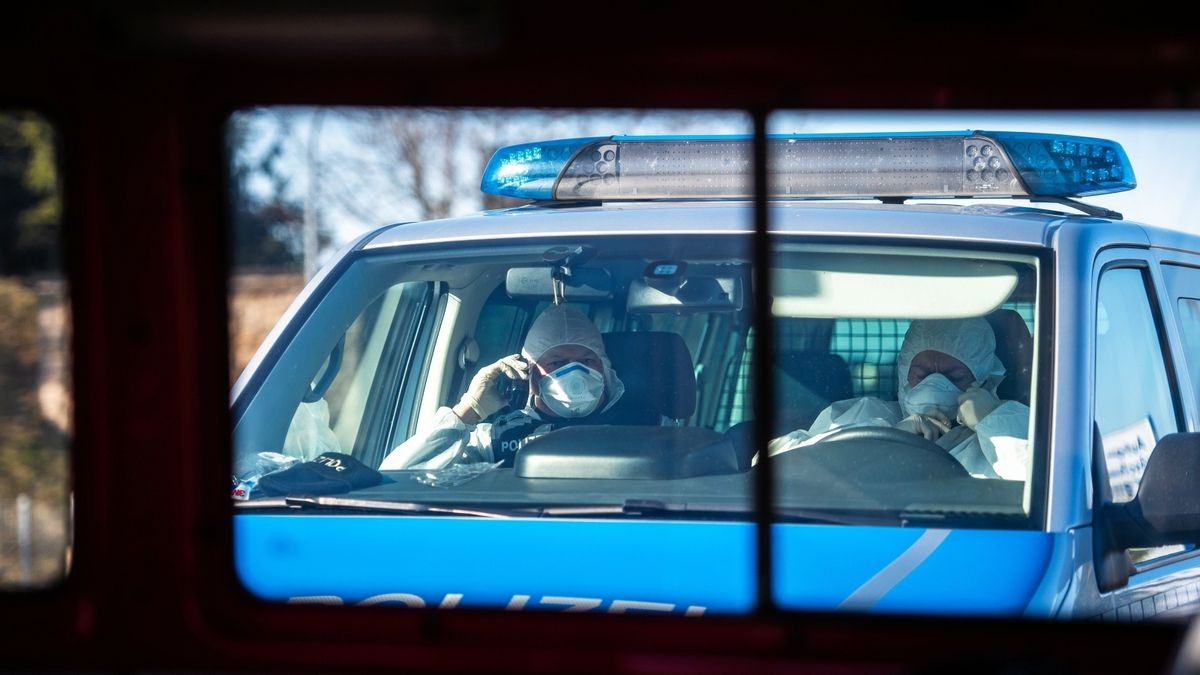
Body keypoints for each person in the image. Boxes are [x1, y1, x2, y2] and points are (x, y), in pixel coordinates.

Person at [380, 305, 656, 470]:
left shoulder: (646, 431)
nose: (574, 374)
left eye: (586, 360)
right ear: (531, 375)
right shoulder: (495, 440)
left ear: (605, 369)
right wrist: (468, 412)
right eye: (557, 362)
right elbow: (398, 479)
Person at [769, 317, 1032, 480]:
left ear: (983, 381)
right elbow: (776, 465)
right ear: (904, 373)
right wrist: (882, 437)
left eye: (953, 375)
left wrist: (994, 420)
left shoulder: (1011, 430)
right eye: (923, 372)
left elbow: (1048, 486)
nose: (934, 383)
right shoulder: (865, 414)